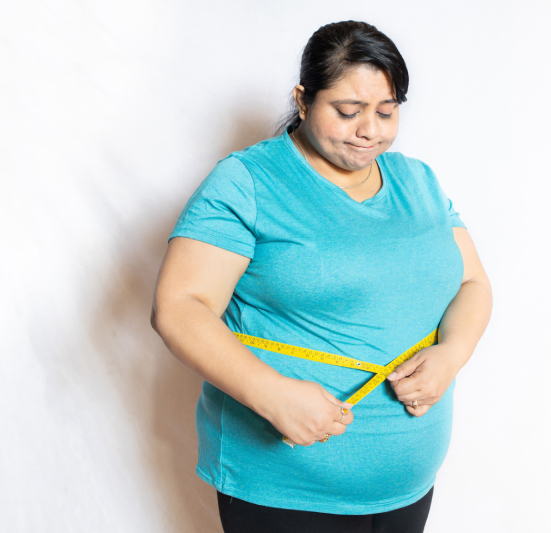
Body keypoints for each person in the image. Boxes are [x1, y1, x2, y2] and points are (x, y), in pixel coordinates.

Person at [151, 20, 492, 533]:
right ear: (303, 99)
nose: (369, 130)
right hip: (286, 488)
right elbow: (179, 307)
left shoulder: (418, 181)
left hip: (407, 486)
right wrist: (273, 395)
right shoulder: (248, 182)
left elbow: (473, 285)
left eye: (387, 110)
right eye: (348, 111)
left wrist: (451, 355)